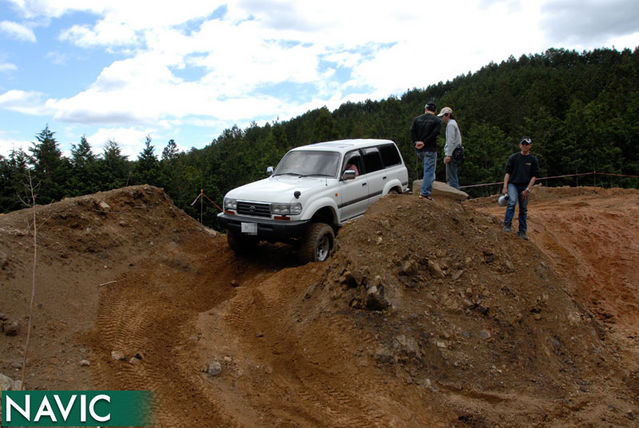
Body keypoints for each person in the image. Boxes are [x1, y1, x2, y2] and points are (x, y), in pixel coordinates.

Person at [502, 136, 540, 240]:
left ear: (530, 146)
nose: (525, 146)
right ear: (520, 145)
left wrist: (528, 189)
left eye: (527, 144)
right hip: (513, 184)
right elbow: (507, 173)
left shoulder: (533, 160)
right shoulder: (513, 158)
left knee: (523, 209)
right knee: (512, 202)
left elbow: (534, 176)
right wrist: (505, 187)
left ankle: (522, 231)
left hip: (525, 185)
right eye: (523, 144)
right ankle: (507, 225)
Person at [410, 102, 442, 200]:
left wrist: (416, 142)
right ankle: (425, 193)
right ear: (435, 111)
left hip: (419, 150)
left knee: (429, 170)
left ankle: (428, 187)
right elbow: (435, 134)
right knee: (429, 171)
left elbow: (412, 131)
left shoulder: (417, 119)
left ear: (425, 109)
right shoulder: (437, 120)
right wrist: (424, 142)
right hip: (430, 149)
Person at [438, 106, 461, 189]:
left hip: (452, 154)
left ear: (447, 115)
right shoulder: (453, 123)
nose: (442, 118)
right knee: (453, 176)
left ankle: (455, 196)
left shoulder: (450, 125)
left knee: (452, 178)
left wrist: (448, 155)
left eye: (442, 116)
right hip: (455, 152)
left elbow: (451, 141)